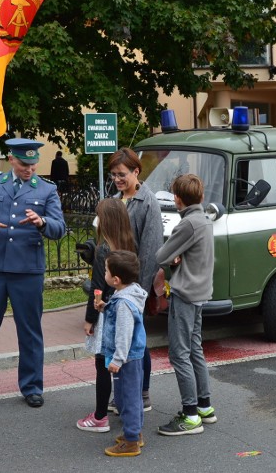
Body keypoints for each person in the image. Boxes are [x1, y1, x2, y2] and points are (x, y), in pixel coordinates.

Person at [0, 137, 66, 410]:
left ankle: (32, 386)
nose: (29, 170)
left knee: (30, 331)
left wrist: (43, 221)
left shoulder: (46, 190)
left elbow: (60, 228)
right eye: (24, 164)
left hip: (27, 270)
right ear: (11, 159)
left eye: (33, 165)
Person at [155, 174, 216, 435]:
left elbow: (161, 255)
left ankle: (190, 416)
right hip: (201, 292)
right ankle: (205, 407)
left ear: (177, 199)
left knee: (179, 354)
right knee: (195, 349)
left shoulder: (187, 224)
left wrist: (173, 256)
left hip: (185, 295)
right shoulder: (204, 219)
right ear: (201, 197)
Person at [107, 147, 163, 412]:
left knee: (136, 341)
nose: (117, 179)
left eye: (121, 174)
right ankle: (122, 394)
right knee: (121, 340)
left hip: (135, 286)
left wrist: (138, 290)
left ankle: (142, 393)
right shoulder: (116, 197)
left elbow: (151, 251)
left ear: (136, 171)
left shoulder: (148, 202)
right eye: (114, 175)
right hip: (116, 282)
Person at [76, 198, 136, 433]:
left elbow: (97, 288)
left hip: (106, 313)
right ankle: (125, 406)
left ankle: (100, 416)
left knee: (102, 364)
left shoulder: (103, 250)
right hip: (125, 311)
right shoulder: (129, 245)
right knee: (123, 364)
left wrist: (90, 319)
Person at [99, 250, 148, 457]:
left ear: (116, 279)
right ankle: (135, 434)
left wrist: (117, 359)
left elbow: (124, 334)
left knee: (125, 399)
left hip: (126, 359)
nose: (104, 274)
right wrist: (105, 307)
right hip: (132, 357)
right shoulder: (129, 293)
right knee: (132, 396)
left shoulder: (123, 304)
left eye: (106, 271)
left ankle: (130, 442)